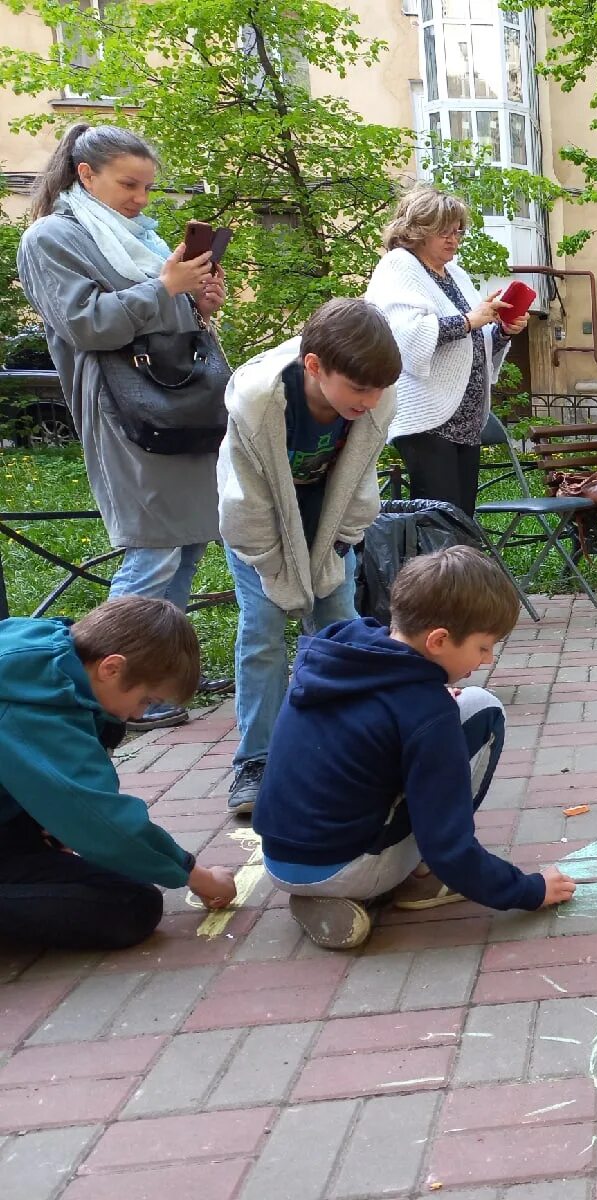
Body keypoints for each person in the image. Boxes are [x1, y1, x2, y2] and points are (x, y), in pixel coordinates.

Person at [253, 547, 576, 950]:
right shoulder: (426, 710)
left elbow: (381, 714)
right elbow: (450, 848)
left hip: (279, 856)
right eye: (483, 646)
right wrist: (529, 890)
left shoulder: (342, 651)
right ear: (439, 639)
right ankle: (413, 882)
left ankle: (328, 894)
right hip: (343, 866)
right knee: (484, 708)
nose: (488, 659)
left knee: (438, 725)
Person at [16, 123, 229, 731]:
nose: (140, 199)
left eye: (147, 187)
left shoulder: (138, 238)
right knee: (154, 552)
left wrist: (195, 300)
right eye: (128, 184)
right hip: (126, 413)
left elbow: (159, 312)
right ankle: (101, 696)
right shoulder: (52, 238)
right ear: (86, 174)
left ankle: (155, 683)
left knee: (184, 547)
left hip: (178, 406)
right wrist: (166, 287)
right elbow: (85, 324)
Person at [216, 299, 404, 816]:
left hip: (325, 522)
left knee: (339, 627)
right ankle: (256, 761)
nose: (369, 401)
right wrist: (278, 576)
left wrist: (341, 543)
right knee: (263, 633)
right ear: (315, 366)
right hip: (261, 525)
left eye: (378, 389)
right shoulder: (257, 401)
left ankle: (345, 749)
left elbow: (361, 483)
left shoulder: (376, 399)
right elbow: (244, 507)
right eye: (359, 388)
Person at [0, 597, 236, 950]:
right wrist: (196, 876)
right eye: (147, 701)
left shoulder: (46, 661)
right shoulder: (30, 706)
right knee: (130, 905)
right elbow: (98, 816)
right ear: (111, 668)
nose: (141, 716)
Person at [365, 187, 531, 518]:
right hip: (428, 419)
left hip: (465, 420)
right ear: (417, 229)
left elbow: (473, 341)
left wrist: (499, 331)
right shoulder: (399, 266)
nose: (453, 240)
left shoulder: (455, 274)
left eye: (458, 231)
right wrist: (471, 320)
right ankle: (433, 572)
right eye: (444, 231)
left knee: (462, 517)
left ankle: (460, 572)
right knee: (440, 518)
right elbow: (407, 338)